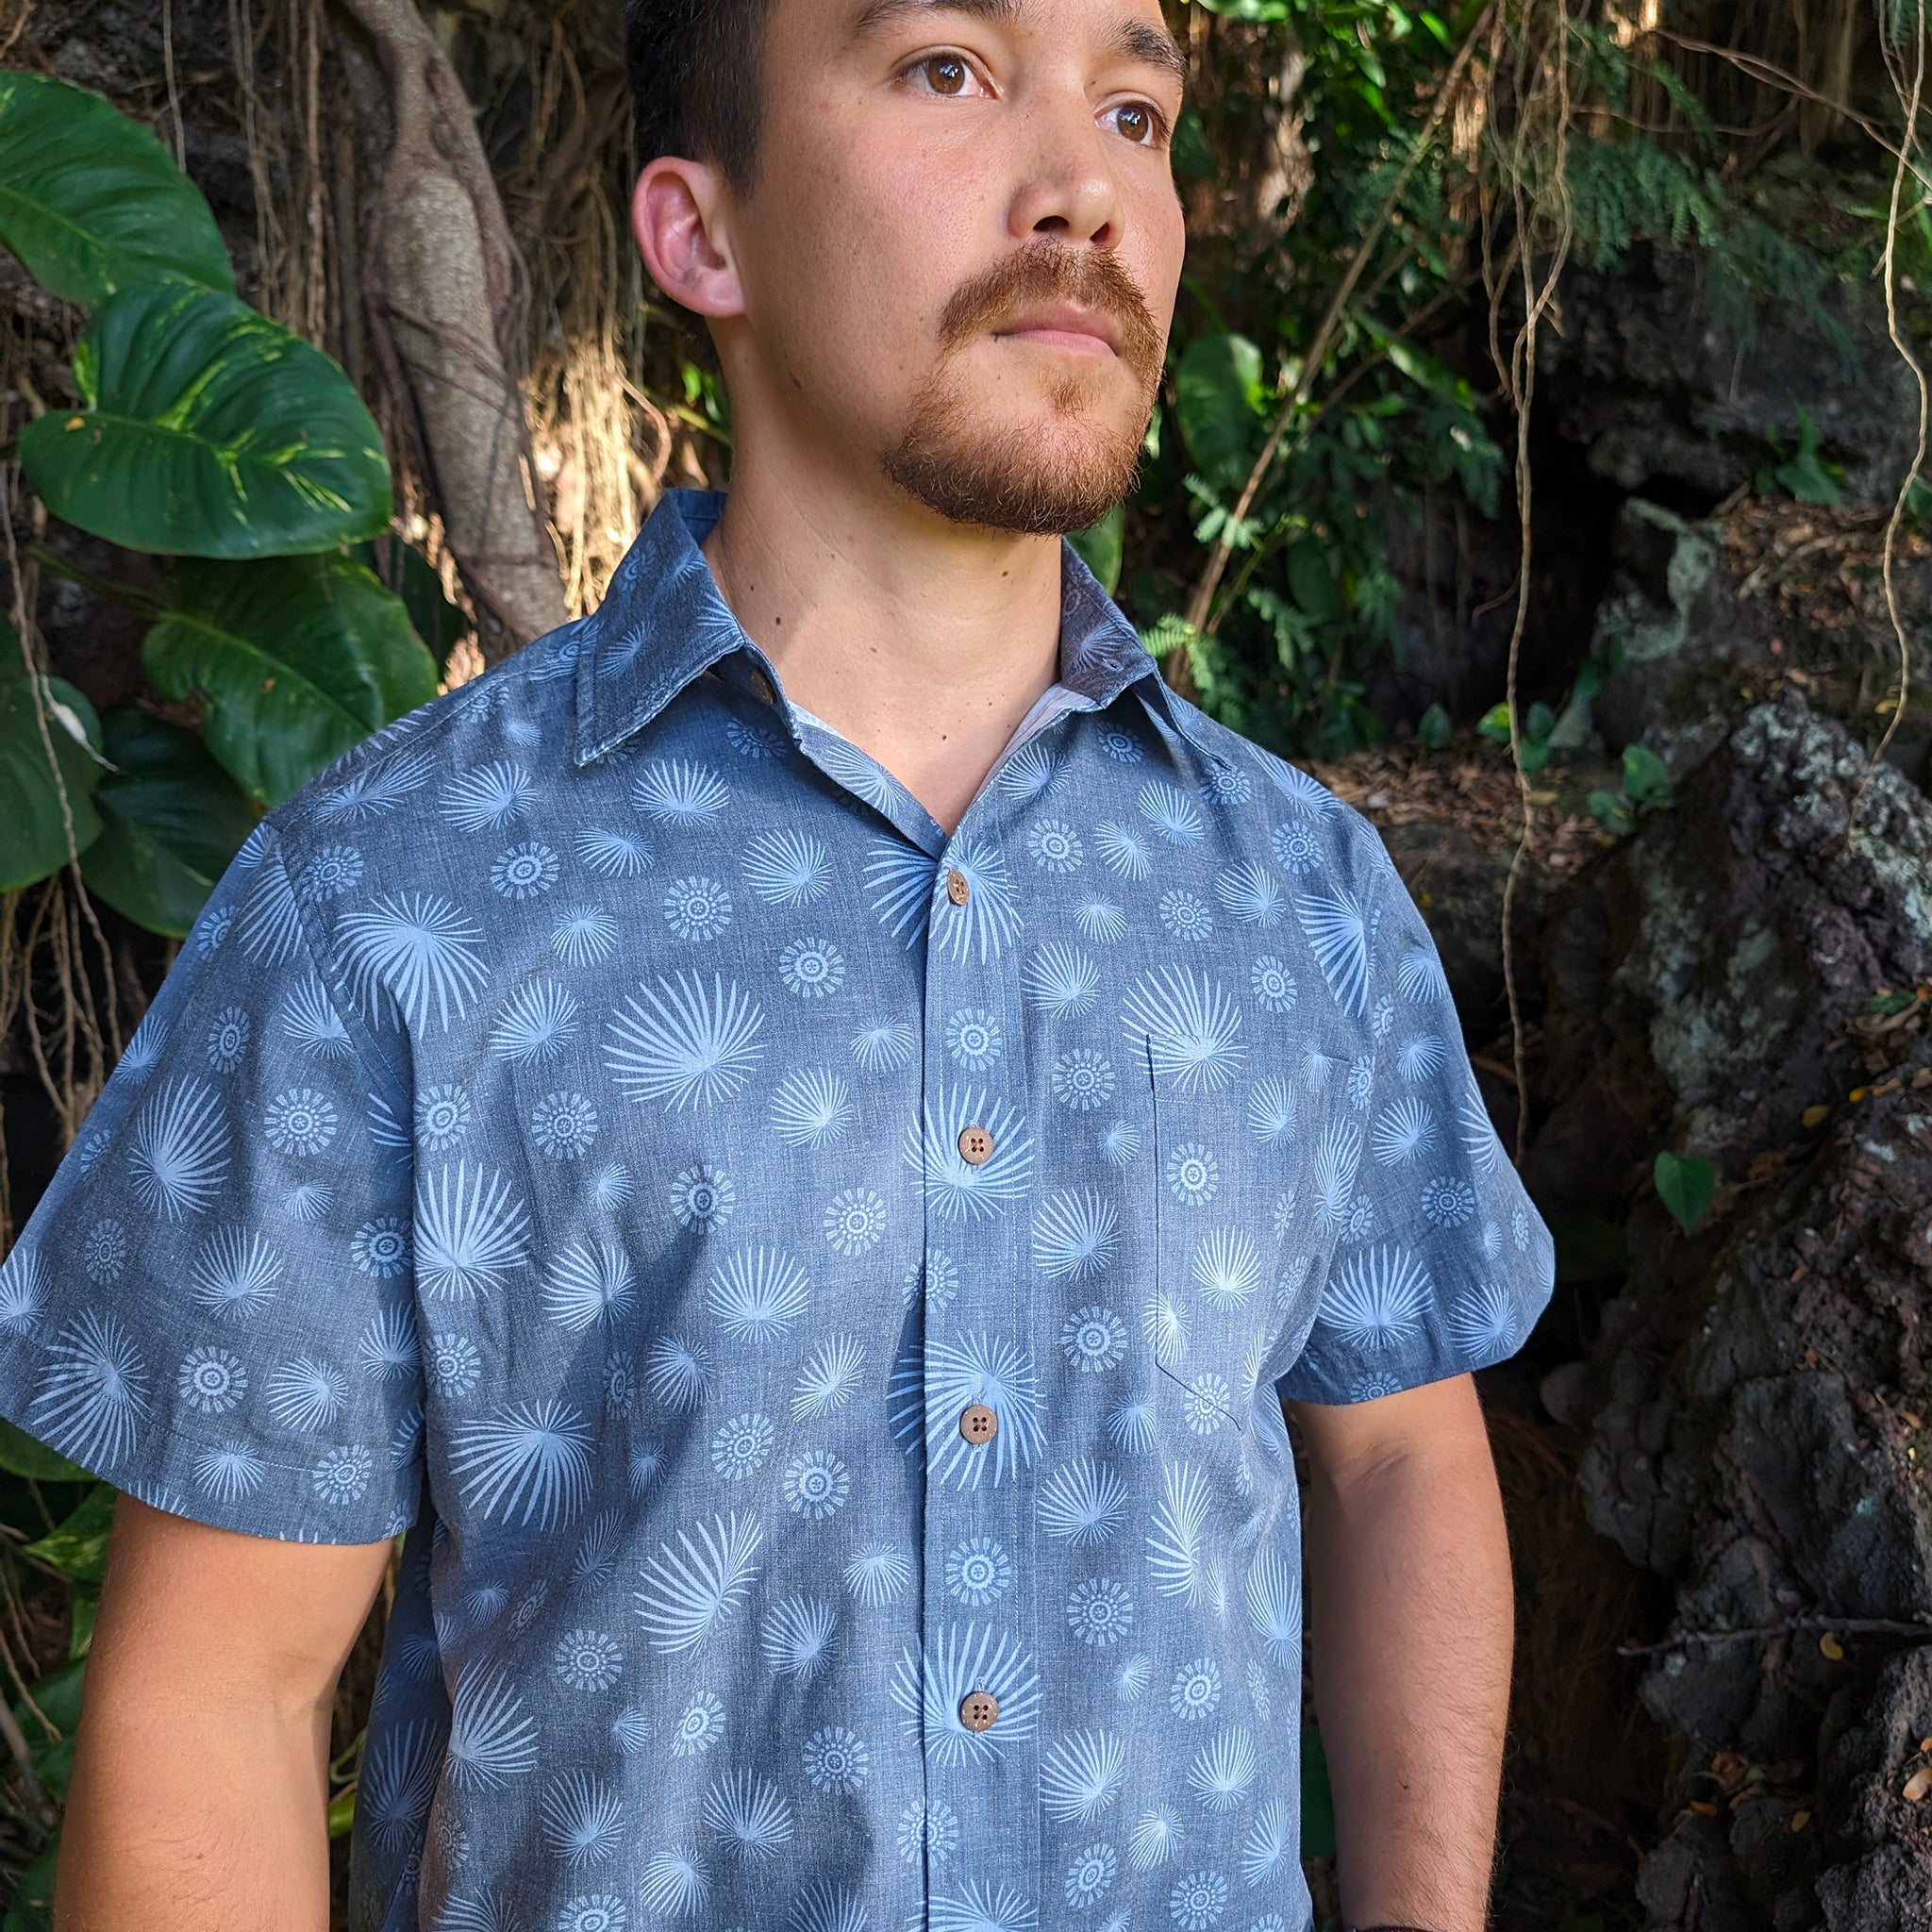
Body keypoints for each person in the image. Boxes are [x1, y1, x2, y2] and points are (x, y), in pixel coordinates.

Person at [0, 0, 1555, 1926]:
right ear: (697, 236)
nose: (1083, 183)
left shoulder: (1300, 898)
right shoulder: (398, 899)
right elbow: (217, 1688)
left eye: (1137, 109)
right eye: (947, 73)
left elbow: (1400, 1461)